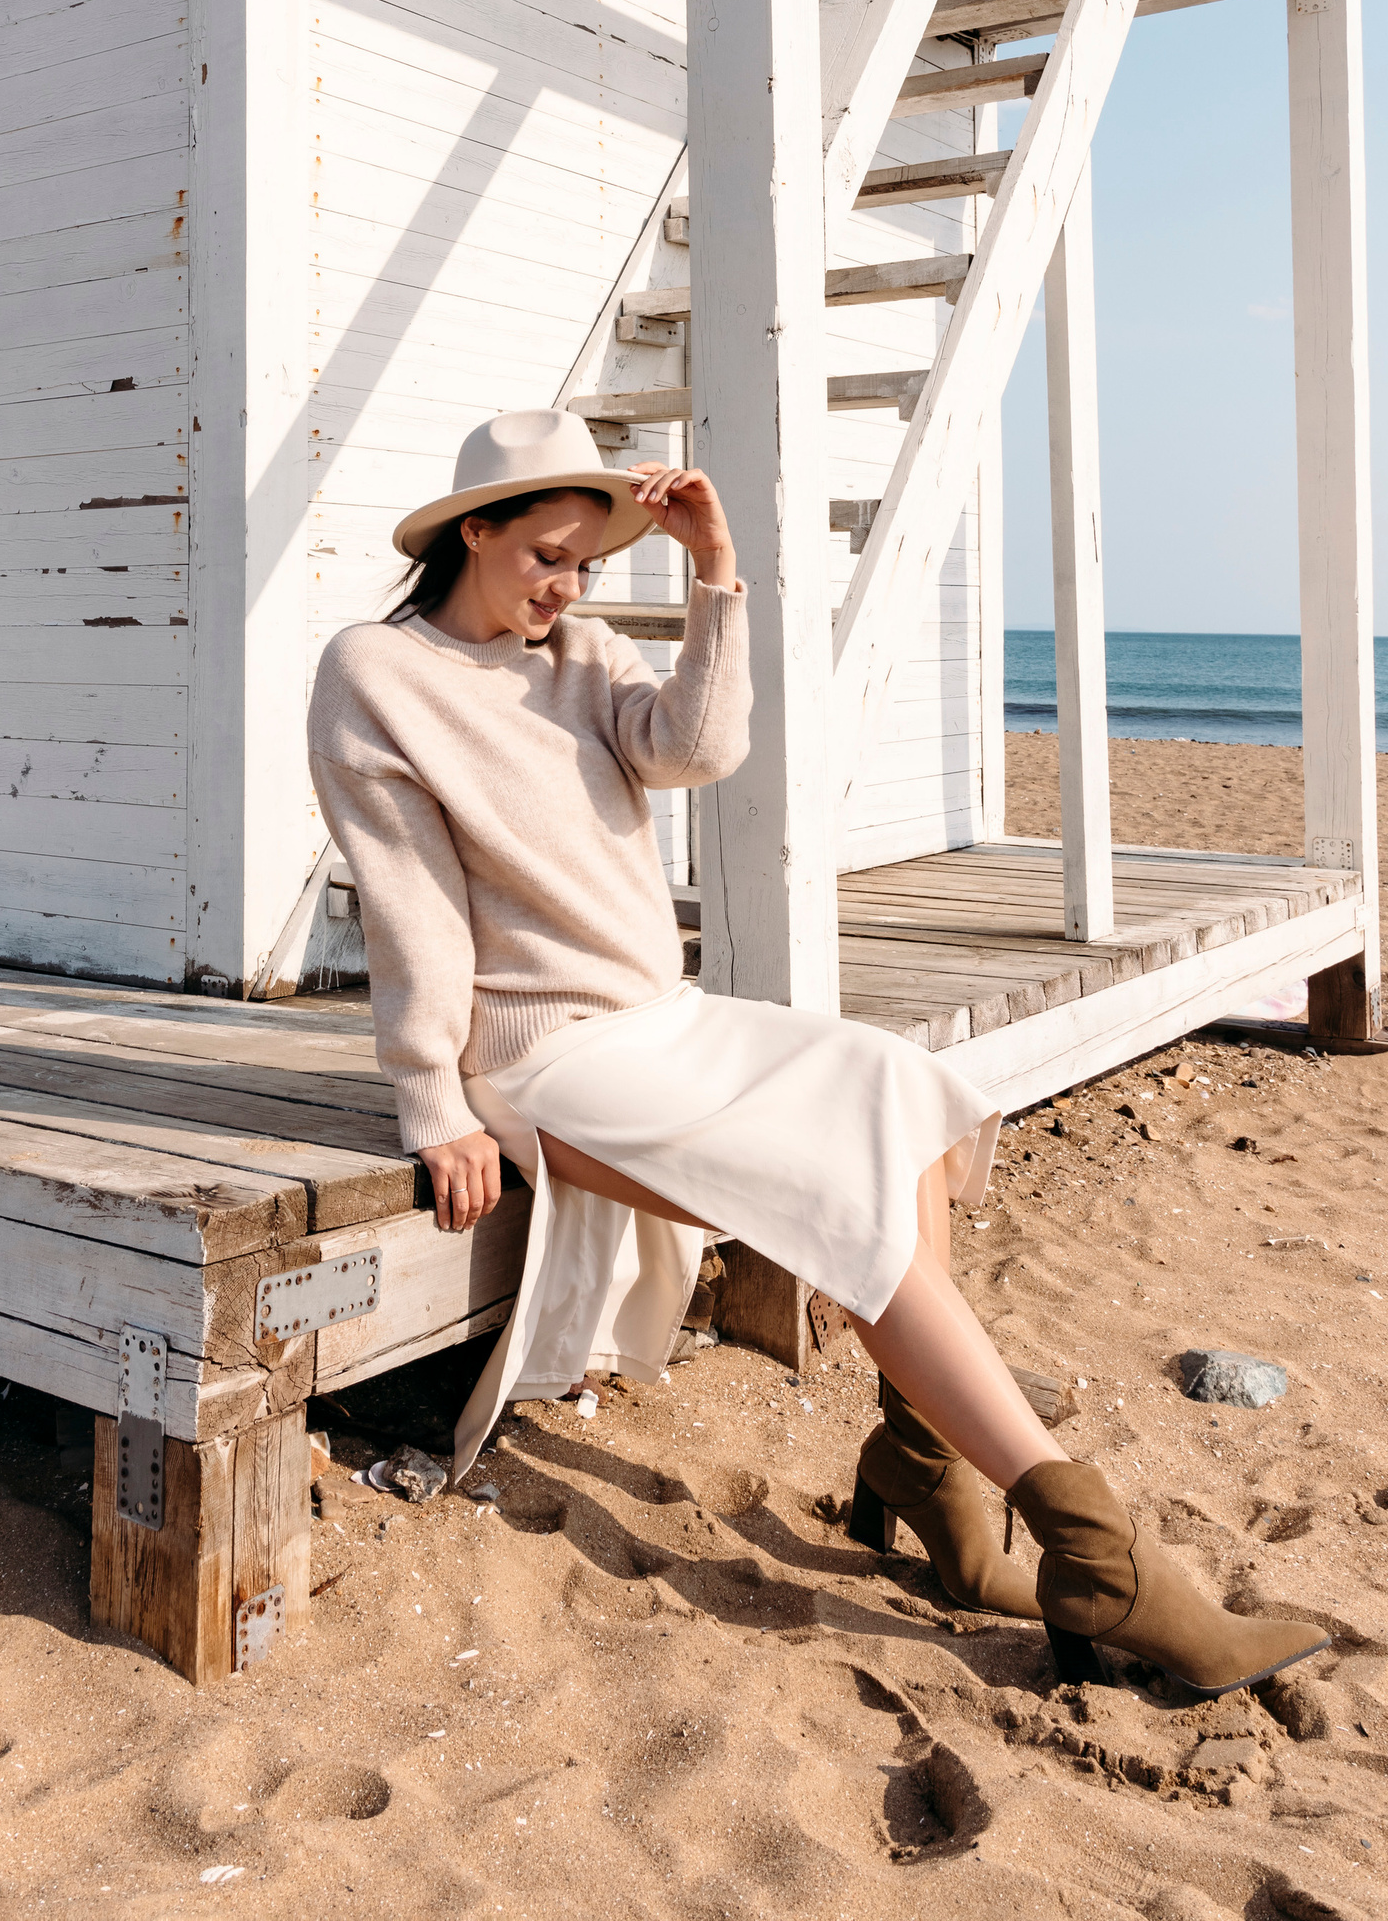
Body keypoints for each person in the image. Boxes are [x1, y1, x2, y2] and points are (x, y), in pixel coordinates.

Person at [307, 408, 1326, 1698]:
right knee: (849, 1200)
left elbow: (698, 750)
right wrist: (431, 1103)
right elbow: (411, 906)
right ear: (473, 531)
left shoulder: (584, 652)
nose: (565, 588)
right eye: (545, 558)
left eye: (587, 567)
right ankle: (1098, 1554)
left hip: (664, 1017)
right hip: (544, 1054)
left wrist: (715, 573)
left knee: (902, 1089)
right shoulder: (376, 674)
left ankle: (925, 1469)